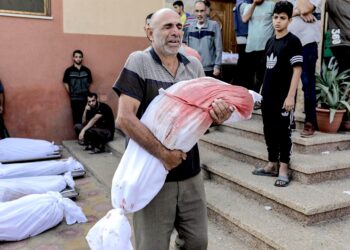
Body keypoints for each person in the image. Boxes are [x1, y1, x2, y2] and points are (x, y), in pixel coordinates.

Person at [113, 8, 232, 250]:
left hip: (190, 173)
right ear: (149, 33)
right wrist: (164, 155)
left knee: (197, 242)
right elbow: (124, 119)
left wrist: (219, 115)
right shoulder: (139, 61)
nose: (175, 32)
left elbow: (204, 116)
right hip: (151, 174)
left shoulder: (194, 67)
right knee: (152, 245)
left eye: (178, 26)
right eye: (167, 27)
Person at [252, 1, 302, 187]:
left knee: (283, 132)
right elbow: (266, 70)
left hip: (283, 97)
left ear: (289, 20)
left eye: (282, 18)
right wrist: (260, 94)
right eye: (275, 17)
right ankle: (271, 164)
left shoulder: (293, 42)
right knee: (268, 130)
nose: (278, 21)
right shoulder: (270, 42)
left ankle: (283, 168)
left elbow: (297, 71)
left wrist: (290, 97)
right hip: (269, 97)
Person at [288, 0, 321, 137]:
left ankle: (310, 122)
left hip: (307, 42)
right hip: (290, 41)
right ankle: (289, 120)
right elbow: (282, 13)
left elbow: (307, 7)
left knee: (307, 84)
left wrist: (297, 11)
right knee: (289, 83)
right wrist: (299, 12)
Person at [242, 0, 275, 93]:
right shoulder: (248, 6)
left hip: (266, 47)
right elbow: (244, 19)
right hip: (251, 47)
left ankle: (261, 99)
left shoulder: (271, 5)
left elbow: (277, 22)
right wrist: (254, 4)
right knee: (250, 76)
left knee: (263, 75)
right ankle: (251, 98)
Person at [183, 0, 223, 77]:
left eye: (202, 11)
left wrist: (217, 66)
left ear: (206, 11)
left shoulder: (214, 25)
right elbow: (187, 49)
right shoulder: (190, 27)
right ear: (194, 12)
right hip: (193, 69)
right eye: (197, 11)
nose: (199, 14)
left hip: (209, 70)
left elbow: (219, 48)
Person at [63, 49, 93, 126]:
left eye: (80, 57)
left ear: (82, 58)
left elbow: (89, 82)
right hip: (74, 98)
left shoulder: (87, 70)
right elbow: (65, 82)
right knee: (76, 117)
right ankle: (79, 135)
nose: (78, 58)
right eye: (76, 57)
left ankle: (85, 134)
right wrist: (71, 92)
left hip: (85, 98)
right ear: (73, 58)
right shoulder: (69, 70)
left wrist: (85, 90)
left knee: (86, 115)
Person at [326, 0, 350, 74]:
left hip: (341, 43)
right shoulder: (332, 2)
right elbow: (316, 7)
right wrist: (302, 13)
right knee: (344, 73)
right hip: (340, 43)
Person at [233, 0, 253, 87]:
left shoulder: (238, 2)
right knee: (245, 64)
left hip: (240, 35)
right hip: (245, 35)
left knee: (242, 62)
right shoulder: (243, 3)